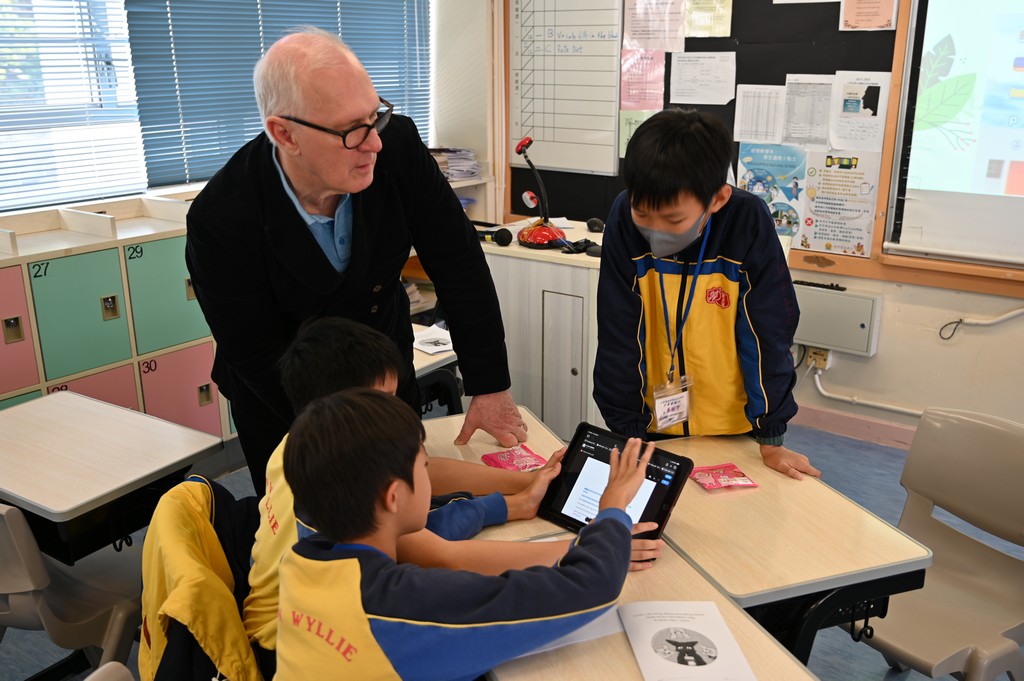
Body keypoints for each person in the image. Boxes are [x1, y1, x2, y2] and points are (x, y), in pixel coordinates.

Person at [185, 27, 525, 491]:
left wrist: (489, 384)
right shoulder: (223, 217)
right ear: (284, 134)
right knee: (314, 521)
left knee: (404, 503)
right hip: (285, 402)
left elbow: (458, 263)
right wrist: (357, 442)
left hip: (386, 369)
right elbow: (257, 354)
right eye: (351, 130)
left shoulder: (396, 146)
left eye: (375, 116)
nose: (374, 143)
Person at [245, 317, 663, 675]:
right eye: (423, 467)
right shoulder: (409, 604)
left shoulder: (308, 549)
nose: (431, 478)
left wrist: (509, 502)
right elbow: (589, 587)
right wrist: (611, 515)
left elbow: (415, 532)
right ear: (394, 495)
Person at [593, 109, 820, 480]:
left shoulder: (747, 220)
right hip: (649, 424)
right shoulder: (622, 215)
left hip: (733, 425)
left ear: (717, 199)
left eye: (673, 220)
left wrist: (771, 434)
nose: (654, 231)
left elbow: (767, 333)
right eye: (643, 214)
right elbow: (619, 331)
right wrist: (627, 430)